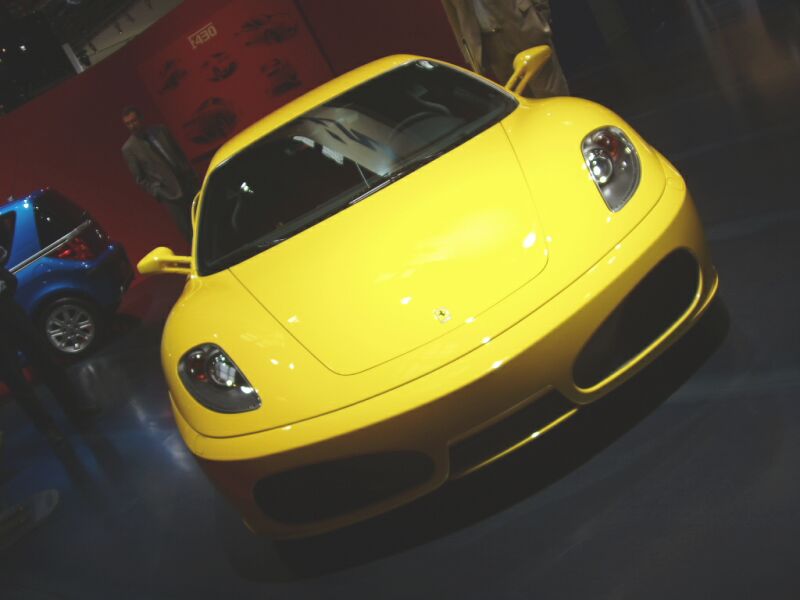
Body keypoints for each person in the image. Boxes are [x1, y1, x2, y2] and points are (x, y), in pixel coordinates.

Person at [0, 251, 93, 443]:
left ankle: (77, 411)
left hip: (15, 317)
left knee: (48, 364)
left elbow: (9, 280)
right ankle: (47, 427)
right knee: (17, 381)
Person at [441, 0, 569, 97]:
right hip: (490, 43)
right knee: (519, 99)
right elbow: (454, 16)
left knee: (551, 92)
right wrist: (469, 52)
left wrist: (540, 14)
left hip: (522, 25)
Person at [121, 106, 199, 241]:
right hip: (169, 194)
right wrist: (158, 192)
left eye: (134, 121)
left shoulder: (160, 131)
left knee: (204, 218)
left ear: (141, 119)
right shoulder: (129, 149)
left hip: (188, 183)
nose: (132, 125)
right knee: (189, 232)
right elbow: (140, 179)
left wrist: (191, 174)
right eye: (128, 124)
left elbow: (179, 153)